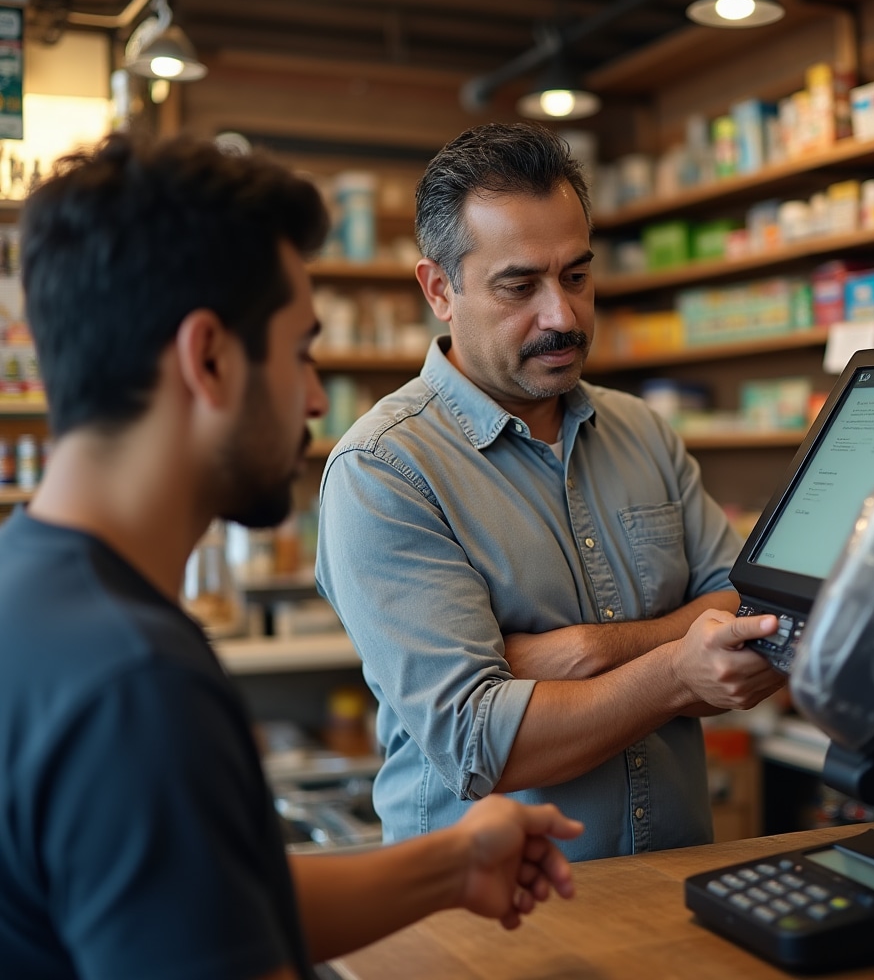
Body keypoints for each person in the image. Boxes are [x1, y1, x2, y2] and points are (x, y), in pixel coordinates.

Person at [0, 132, 585, 980]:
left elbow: (198, 904)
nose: (315, 397)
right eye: (301, 351)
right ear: (208, 359)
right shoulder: (135, 685)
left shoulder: (31, 594)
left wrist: (451, 865)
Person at [316, 121, 785, 863]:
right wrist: (673, 665)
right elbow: (480, 742)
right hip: (488, 922)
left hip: (668, 887)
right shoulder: (383, 469)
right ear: (440, 288)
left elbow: (751, 617)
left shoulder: (643, 433)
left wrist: (588, 652)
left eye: (575, 276)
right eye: (520, 285)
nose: (562, 316)